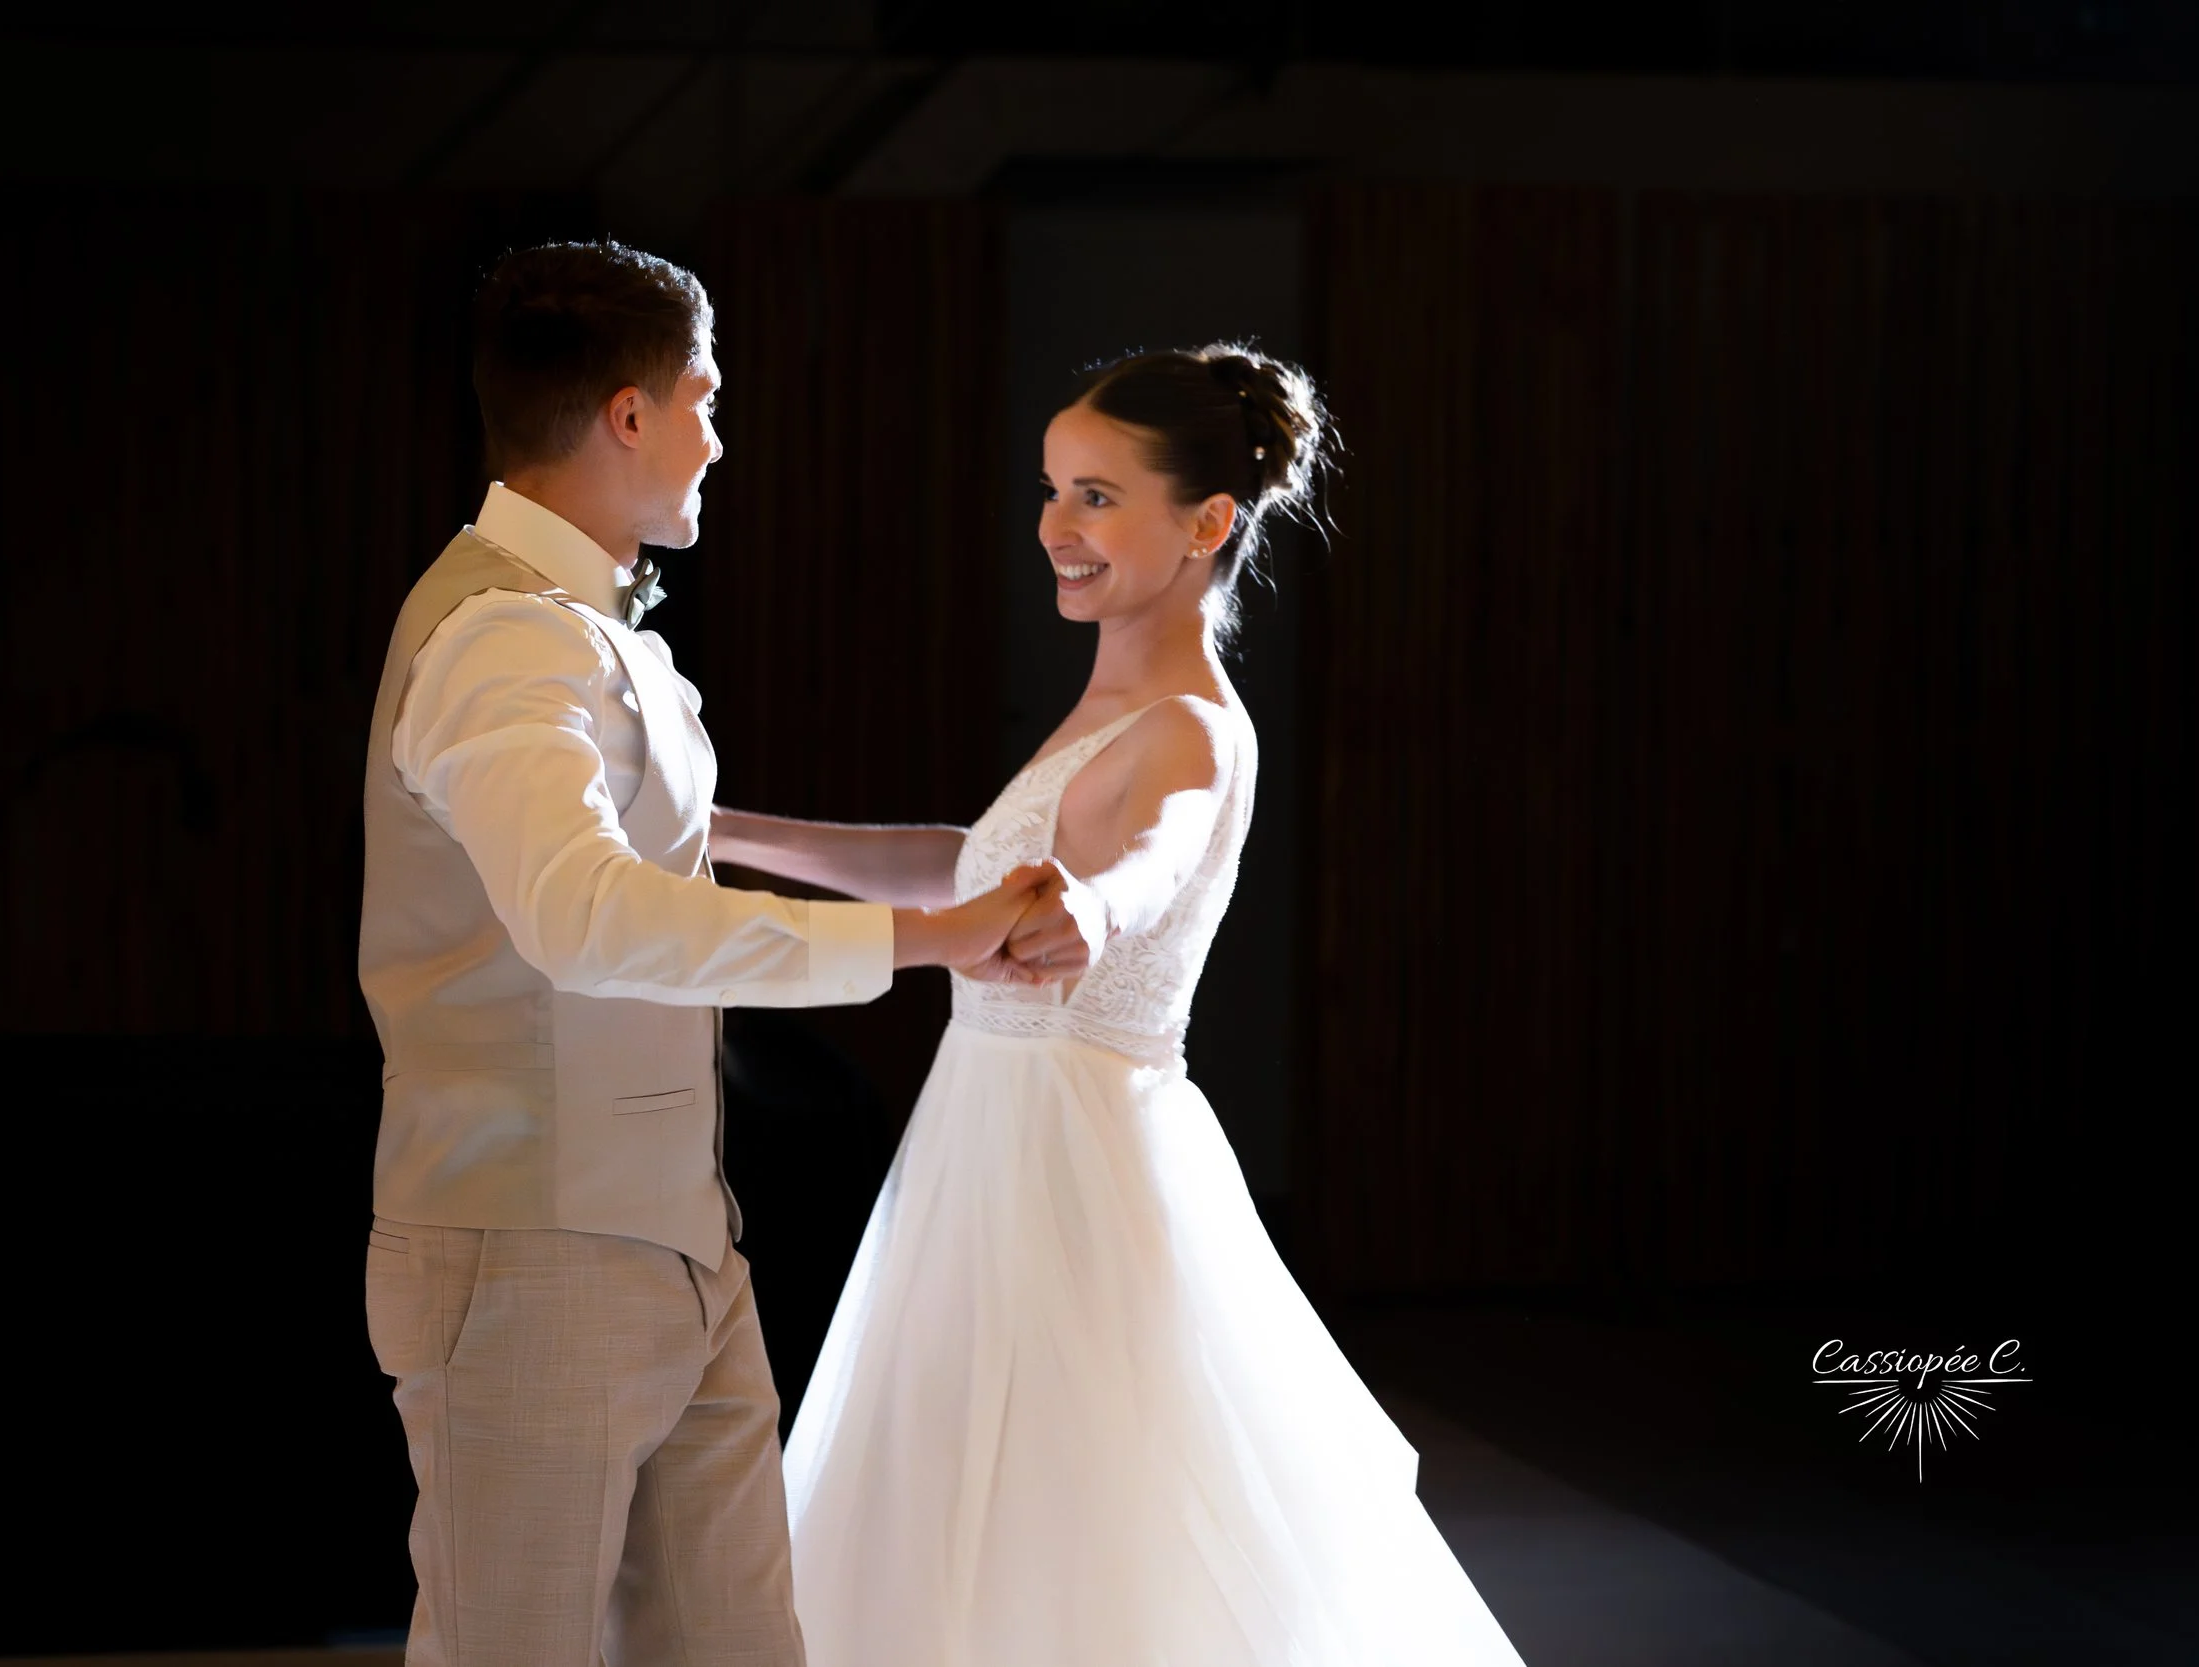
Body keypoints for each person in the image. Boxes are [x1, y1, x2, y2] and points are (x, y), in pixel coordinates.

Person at [715, 344, 1532, 1664]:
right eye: (1051, 490)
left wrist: (1097, 911)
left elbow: (1157, 855)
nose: (1057, 526)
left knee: (1073, 1527)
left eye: (1097, 496)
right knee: (963, 1513)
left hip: (1069, 1163)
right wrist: (720, 831)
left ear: (1207, 524)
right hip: (987, 1144)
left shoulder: (1192, 725)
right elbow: (965, 863)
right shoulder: (1108, 703)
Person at [355, 239, 1060, 1667]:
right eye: (707, 400)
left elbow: (676, 846)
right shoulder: (503, 639)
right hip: (531, 1244)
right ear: (629, 414)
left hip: (681, 1238)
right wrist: (924, 941)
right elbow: (587, 915)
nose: (718, 440)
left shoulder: (581, 627)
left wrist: (961, 865)